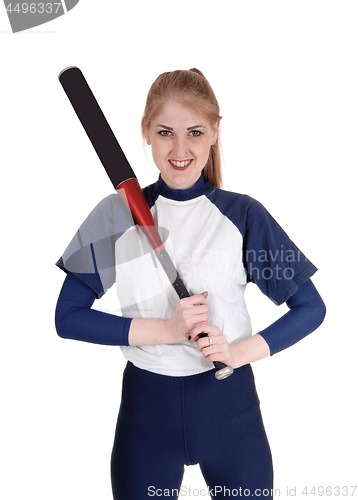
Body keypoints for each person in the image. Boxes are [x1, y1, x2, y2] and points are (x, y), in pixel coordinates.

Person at [55, 68, 326, 499]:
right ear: (146, 132)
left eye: (195, 132)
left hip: (230, 408)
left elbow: (312, 308)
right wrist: (166, 330)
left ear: (215, 132)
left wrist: (236, 352)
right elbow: (67, 318)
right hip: (146, 413)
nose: (180, 150)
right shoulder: (114, 214)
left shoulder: (244, 215)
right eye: (165, 132)